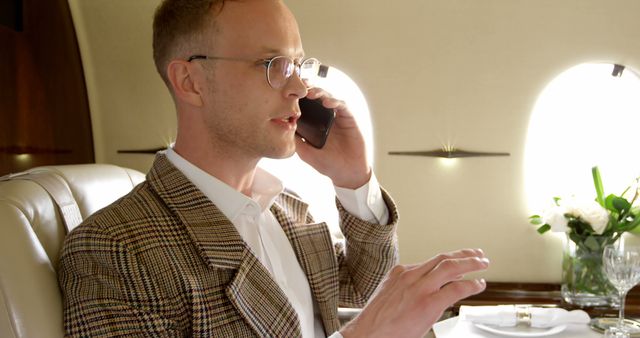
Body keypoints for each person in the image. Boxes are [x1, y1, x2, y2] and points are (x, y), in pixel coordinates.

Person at [58, 0, 490, 337]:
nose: (300, 88)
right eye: (273, 65)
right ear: (190, 82)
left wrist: (354, 180)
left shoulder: (286, 209)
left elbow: (361, 289)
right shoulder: (114, 251)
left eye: (298, 65)